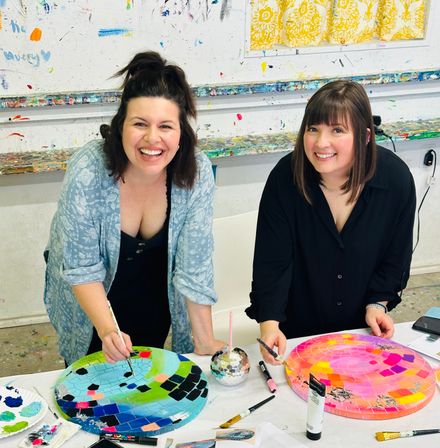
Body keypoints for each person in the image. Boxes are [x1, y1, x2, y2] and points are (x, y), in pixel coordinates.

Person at [44, 51, 224, 366]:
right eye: (140, 124)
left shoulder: (195, 172)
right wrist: (108, 329)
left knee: (145, 387)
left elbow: (194, 267)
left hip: (154, 305)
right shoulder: (89, 169)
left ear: (181, 131)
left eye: (166, 126)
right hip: (90, 309)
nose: (152, 139)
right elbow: (80, 266)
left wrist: (205, 340)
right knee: (91, 392)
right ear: (121, 125)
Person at [246, 80, 416, 365]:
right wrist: (270, 323)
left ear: (364, 136)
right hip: (296, 333)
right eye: (313, 129)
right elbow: (271, 263)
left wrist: (378, 305)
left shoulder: (395, 181)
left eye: (337, 130)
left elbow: (395, 258)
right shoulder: (284, 179)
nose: (320, 143)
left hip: (361, 332)